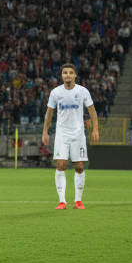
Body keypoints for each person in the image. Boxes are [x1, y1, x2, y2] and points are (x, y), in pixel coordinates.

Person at [41, 63, 100, 210]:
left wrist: (95, 129)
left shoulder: (83, 91)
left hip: (78, 134)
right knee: (60, 165)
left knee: (79, 166)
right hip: (62, 133)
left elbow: (92, 111)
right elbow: (49, 114)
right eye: (65, 73)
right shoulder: (55, 93)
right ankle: (62, 201)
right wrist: (45, 131)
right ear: (61, 75)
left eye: (70, 73)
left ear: (75, 75)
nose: (67, 75)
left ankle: (78, 201)